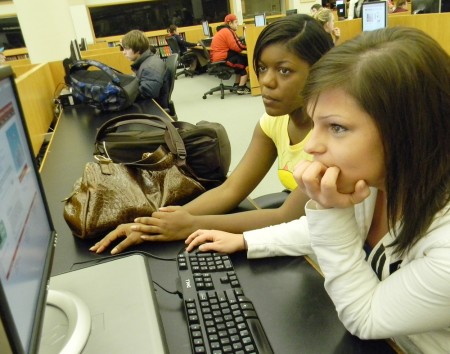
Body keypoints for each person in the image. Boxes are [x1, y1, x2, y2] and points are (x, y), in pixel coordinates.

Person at [185, 27, 450, 353]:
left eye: (336, 127)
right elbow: (321, 233)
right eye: (316, 123)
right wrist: (245, 241)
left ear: (410, 130)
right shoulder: (379, 182)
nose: (311, 145)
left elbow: (364, 317)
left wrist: (329, 208)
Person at [89, 15, 334, 255]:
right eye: (261, 67)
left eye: (284, 70)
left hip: (325, 248)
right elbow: (231, 189)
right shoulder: (273, 122)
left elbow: (286, 217)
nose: (267, 81)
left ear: (319, 72)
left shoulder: (333, 138)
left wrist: (190, 226)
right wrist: (151, 225)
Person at [120, 29, 170, 109]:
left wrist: (120, 95)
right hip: (149, 106)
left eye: (126, 49)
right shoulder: (147, 62)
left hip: (153, 110)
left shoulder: (150, 67)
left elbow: (147, 93)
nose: (124, 52)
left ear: (138, 49)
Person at [210, 14, 250, 95]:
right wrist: (249, 47)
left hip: (218, 57)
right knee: (243, 60)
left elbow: (235, 45)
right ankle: (241, 88)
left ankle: (236, 85)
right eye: (235, 22)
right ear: (230, 23)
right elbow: (237, 46)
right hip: (222, 58)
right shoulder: (228, 31)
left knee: (239, 58)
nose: (237, 24)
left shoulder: (223, 30)